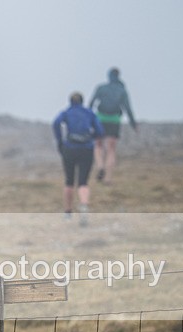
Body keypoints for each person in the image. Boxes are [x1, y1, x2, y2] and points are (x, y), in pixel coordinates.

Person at [52, 92, 104, 225]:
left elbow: (56, 123)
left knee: (69, 181)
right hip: (86, 149)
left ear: (70, 101)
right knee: (83, 182)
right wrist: (91, 137)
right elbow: (100, 131)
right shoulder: (89, 113)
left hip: (69, 148)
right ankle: (84, 205)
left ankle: (68, 212)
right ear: (82, 101)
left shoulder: (66, 112)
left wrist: (60, 141)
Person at [89, 67, 137, 184]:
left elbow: (91, 103)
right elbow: (127, 108)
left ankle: (100, 166)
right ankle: (108, 178)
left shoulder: (101, 88)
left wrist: (88, 119)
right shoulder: (122, 90)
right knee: (111, 149)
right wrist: (133, 124)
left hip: (100, 119)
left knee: (98, 145)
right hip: (114, 120)